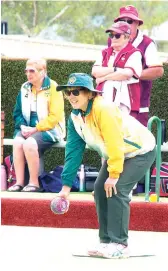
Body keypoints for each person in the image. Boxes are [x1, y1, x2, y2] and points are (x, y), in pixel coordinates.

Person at [56, 73, 156, 259]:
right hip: (117, 153)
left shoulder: (104, 109)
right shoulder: (75, 117)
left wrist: (114, 174)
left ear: (90, 94)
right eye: (67, 93)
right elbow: (73, 152)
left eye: (75, 91)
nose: (71, 96)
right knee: (100, 190)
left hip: (141, 151)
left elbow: (114, 141)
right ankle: (106, 242)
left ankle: (120, 244)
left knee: (116, 188)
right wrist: (65, 187)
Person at [8, 58, 65, 192]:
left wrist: (35, 129)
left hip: (52, 129)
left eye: (32, 71)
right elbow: (17, 113)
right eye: (26, 71)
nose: (28, 74)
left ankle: (34, 184)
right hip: (27, 128)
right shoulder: (24, 87)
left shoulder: (53, 87)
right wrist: (22, 126)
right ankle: (19, 183)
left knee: (29, 144)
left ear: (42, 71)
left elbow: (54, 117)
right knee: (17, 143)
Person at [113, 5, 164, 126]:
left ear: (137, 23)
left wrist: (131, 74)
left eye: (129, 21)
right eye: (122, 21)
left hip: (138, 105)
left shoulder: (147, 43)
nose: (125, 24)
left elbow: (158, 70)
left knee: (137, 143)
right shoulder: (113, 39)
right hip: (114, 103)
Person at [92, 21, 142, 118]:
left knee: (124, 131)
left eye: (117, 35)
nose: (113, 38)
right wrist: (114, 69)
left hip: (124, 104)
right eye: (111, 35)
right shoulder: (105, 52)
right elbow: (95, 72)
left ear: (127, 37)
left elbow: (126, 74)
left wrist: (103, 78)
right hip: (101, 101)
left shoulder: (135, 53)